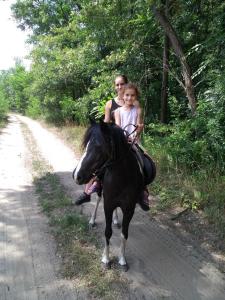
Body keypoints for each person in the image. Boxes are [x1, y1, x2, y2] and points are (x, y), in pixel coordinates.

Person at [75, 75, 129, 205]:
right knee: (97, 162)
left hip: (128, 139)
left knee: (142, 162)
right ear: (115, 86)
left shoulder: (131, 99)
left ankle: (142, 191)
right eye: (117, 85)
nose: (120, 87)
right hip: (112, 140)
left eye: (122, 84)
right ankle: (88, 191)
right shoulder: (110, 104)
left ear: (127, 84)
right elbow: (105, 124)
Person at [114, 82, 150, 211]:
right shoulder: (117, 112)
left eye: (132, 95)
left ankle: (143, 190)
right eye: (127, 95)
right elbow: (118, 127)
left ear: (136, 97)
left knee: (145, 161)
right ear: (122, 96)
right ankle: (99, 182)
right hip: (121, 141)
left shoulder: (138, 110)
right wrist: (124, 137)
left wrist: (138, 131)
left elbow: (138, 126)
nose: (129, 98)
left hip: (134, 141)